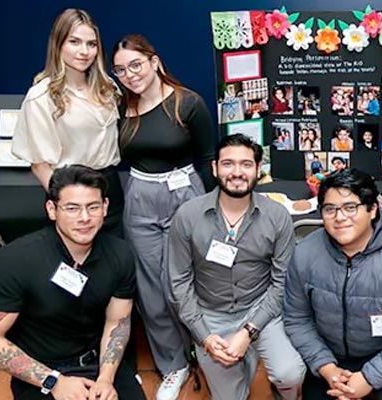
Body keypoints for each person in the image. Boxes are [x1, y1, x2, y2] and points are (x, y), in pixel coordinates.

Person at [0, 165, 145, 400]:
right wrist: (53, 381)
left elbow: (117, 323)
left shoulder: (120, 253)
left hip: (99, 363)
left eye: (92, 207)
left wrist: (106, 378)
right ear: (52, 210)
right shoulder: (14, 260)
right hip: (42, 371)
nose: (84, 218)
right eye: (72, 208)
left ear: (105, 207)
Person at [111, 34, 216, 400]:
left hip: (185, 194)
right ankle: (173, 366)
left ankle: (207, 350)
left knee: (189, 282)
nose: (129, 75)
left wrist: (208, 208)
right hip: (139, 197)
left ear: (154, 62)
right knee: (151, 292)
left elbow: (207, 159)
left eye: (135, 65)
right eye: (121, 70)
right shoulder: (121, 106)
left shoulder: (188, 103)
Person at [166, 134, 306, 400]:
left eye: (246, 164)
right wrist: (204, 337)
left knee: (290, 373)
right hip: (211, 313)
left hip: (262, 310)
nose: (237, 172)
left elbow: (281, 284)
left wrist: (248, 332)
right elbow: (179, 283)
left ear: (258, 170)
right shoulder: (188, 216)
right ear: (215, 168)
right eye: (228, 164)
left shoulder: (277, 217)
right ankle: (242, 361)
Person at [284, 168, 382, 399]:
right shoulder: (305, 253)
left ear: (372, 209)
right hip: (330, 356)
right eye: (330, 209)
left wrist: (368, 377)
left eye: (350, 207)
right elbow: (296, 318)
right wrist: (326, 367)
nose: (339, 217)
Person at [12, 9, 124, 237]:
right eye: (75, 42)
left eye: (91, 44)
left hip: (110, 188)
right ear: (58, 44)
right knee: (75, 267)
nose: (84, 51)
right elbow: (40, 164)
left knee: (113, 263)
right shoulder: (41, 96)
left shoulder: (108, 88)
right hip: (71, 189)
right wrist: (68, 205)